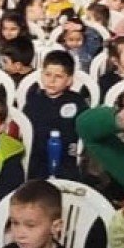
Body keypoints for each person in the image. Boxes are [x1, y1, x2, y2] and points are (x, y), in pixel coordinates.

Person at [20, 50, 89, 181]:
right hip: (36, 156)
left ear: (69, 80)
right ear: (41, 75)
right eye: (47, 74)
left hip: (66, 157)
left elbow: (84, 130)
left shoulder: (77, 101)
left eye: (58, 76)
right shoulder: (34, 100)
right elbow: (25, 129)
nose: (51, 81)